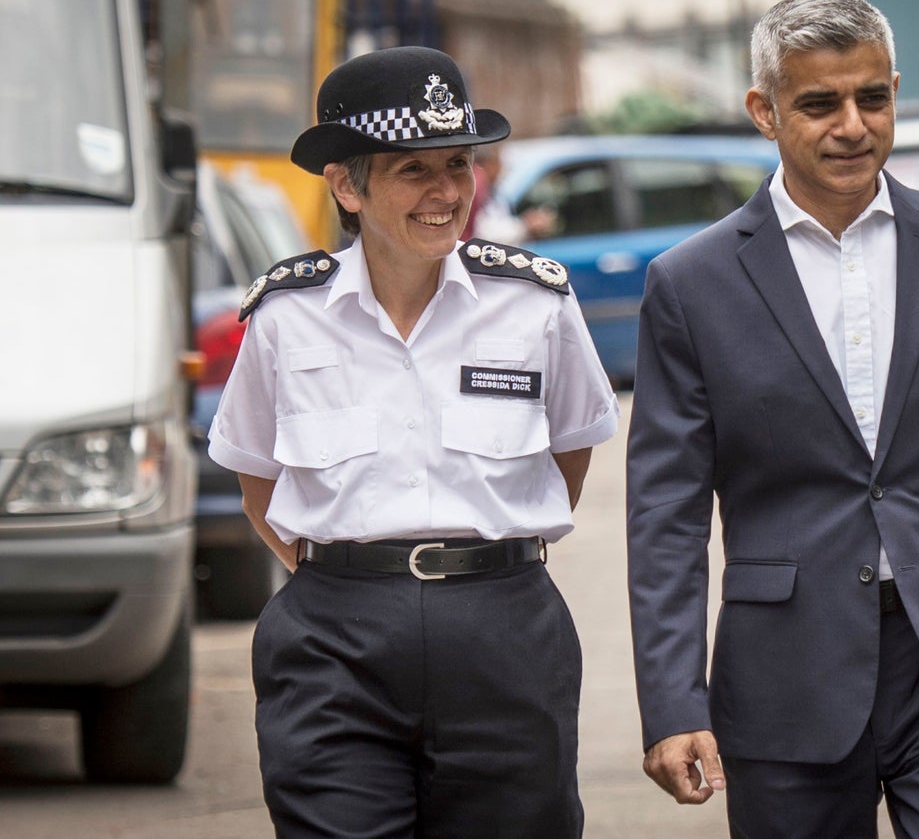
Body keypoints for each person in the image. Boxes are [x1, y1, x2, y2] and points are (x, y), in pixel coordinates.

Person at [626, 0, 919, 838]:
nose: (853, 125)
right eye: (819, 104)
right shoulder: (690, 285)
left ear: (893, 92)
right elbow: (666, 515)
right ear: (763, 111)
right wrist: (670, 701)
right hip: (785, 678)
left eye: (872, 98)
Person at [208, 46, 619, 838]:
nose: (446, 194)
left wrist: (482, 552)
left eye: (458, 165)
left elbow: (569, 453)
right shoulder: (288, 315)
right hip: (334, 640)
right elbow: (257, 476)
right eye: (413, 170)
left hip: (503, 631)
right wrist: (348, 578)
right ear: (345, 184)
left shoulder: (533, 304)